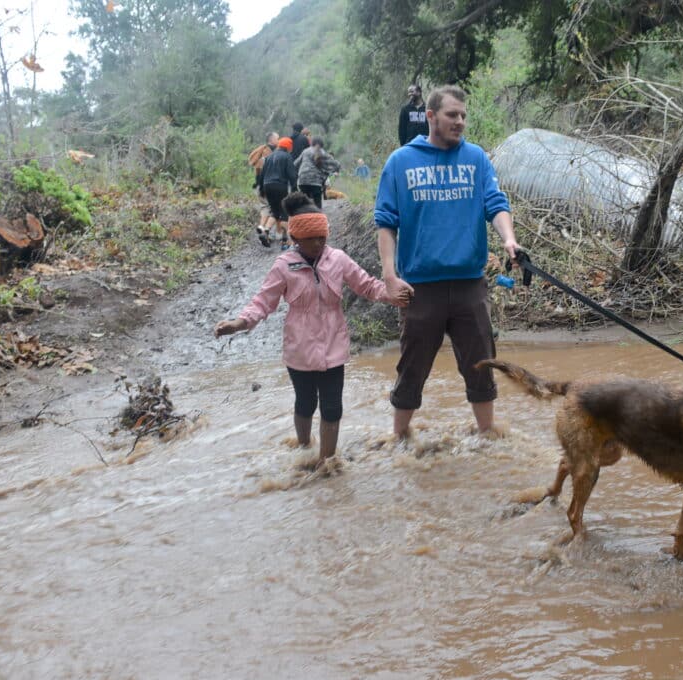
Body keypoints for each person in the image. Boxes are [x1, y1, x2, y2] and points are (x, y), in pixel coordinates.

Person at [215, 193, 410, 465]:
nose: (319, 243)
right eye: (312, 238)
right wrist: (241, 322)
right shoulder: (284, 265)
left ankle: (327, 463)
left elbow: (367, 285)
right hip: (300, 350)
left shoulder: (338, 259)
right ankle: (305, 448)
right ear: (296, 239)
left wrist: (394, 294)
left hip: (334, 346)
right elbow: (264, 301)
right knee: (305, 403)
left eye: (323, 237)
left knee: (332, 407)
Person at [375, 84, 521, 439]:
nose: (460, 122)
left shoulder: (475, 158)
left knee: (480, 365)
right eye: (452, 115)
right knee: (412, 367)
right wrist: (389, 276)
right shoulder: (401, 162)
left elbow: (495, 204)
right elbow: (385, 222)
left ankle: (487, 437)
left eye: (463, 116)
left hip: (470, 283)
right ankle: (399, 440)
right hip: (419, 287)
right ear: (430, 117)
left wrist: (509, 239)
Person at [258, 137, 298, 250]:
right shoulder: (287, 157)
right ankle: (286, 240)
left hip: (267, 186)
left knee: (275, 211)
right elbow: (292, 175)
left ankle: (265, 231)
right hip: (280, 185)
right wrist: (295, 189)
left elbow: (262, 174)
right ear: (289, 147)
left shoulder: (269, 157)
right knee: (285, 212)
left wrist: (261, 188)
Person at [248, 132, 278, 246]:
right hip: (269, 184)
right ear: (271, 140)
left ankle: (261, 227)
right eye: (277, 138)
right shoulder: (269, 153)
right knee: (277, 209)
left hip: (259, 185)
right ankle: (267, 231)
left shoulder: (261, 151)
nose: (278, 140)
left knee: (265, 207)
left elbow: (257, 170)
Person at [294, 136, 341, 209]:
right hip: (315, 182)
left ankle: (306, 218)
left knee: (305, 204)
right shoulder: (322, 152)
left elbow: (295, 164)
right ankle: (317, 218)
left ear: (312, 143)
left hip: (302, 181)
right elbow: (336, 164)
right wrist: (329, 171)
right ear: (322, 144)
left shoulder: (305, 151)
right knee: (317, 205)